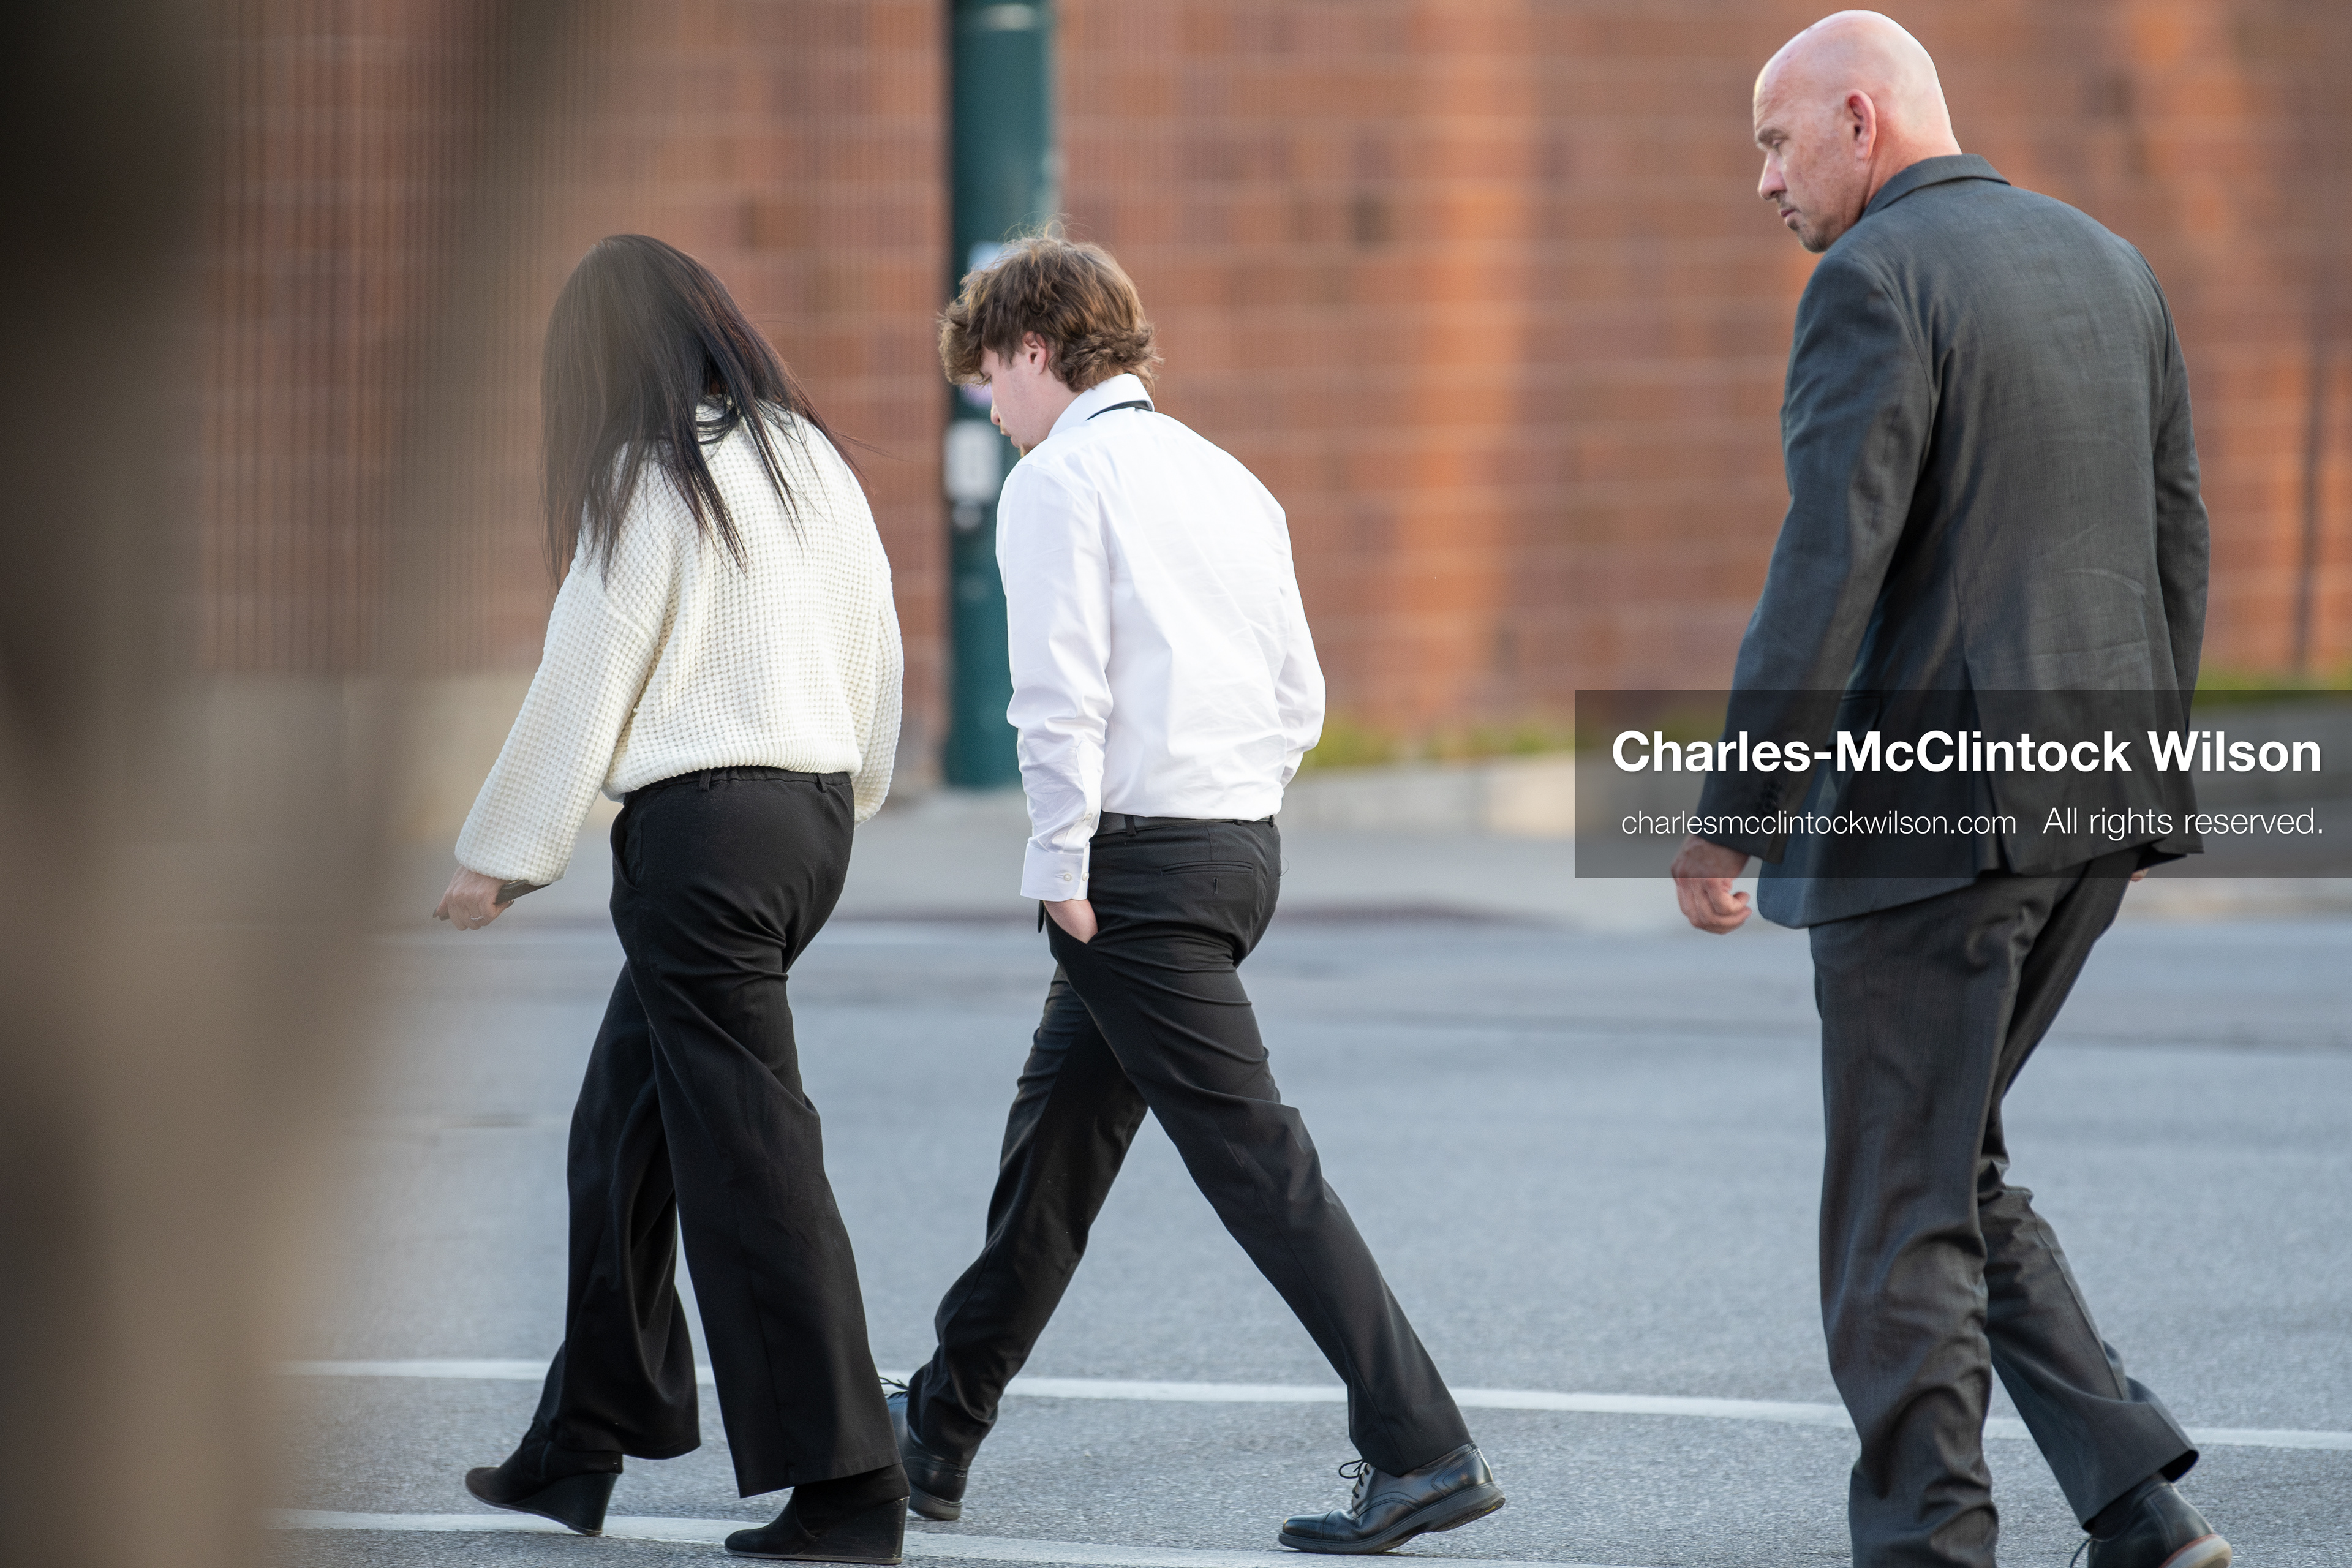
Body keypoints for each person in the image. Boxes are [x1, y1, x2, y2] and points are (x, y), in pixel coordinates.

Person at [1668, 14, 2226, 1568]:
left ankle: (1930, 1543)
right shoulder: (2110, 261)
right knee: (1952, 1161)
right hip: (2091, 802)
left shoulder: (1873, 282)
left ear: (1863, 119)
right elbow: (2179, 534)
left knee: (1896, 1211)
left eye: (1778, 143)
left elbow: (1827, 563)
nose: (1764, 181)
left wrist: (1733, 807)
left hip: (1935, 829)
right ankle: (2139, 1505)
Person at [886, 237, 1504, 1556]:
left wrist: (1059, 867)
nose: (989, 407)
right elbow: (1301, 699)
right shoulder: (1231, 478)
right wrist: (1222, 799)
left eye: (990, 376)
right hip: (1238, 846)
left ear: (1037, 351)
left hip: (1133, 868)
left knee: (1256, 1162)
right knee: (1054, 1151)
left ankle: (1423, 1444)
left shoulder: (1060, 481)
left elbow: (1059, 691)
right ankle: (936, 1428)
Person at [435, 234, 911, 1564]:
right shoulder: (809, 456)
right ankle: (578, 1442)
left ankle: (848, 1485)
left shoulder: (649, 477)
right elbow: (875, 645)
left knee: (751, 1166)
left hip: (705, 839)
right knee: (620, 1135)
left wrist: (502, 857)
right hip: (807, 819)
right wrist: (847, 790)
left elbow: (583, 673)